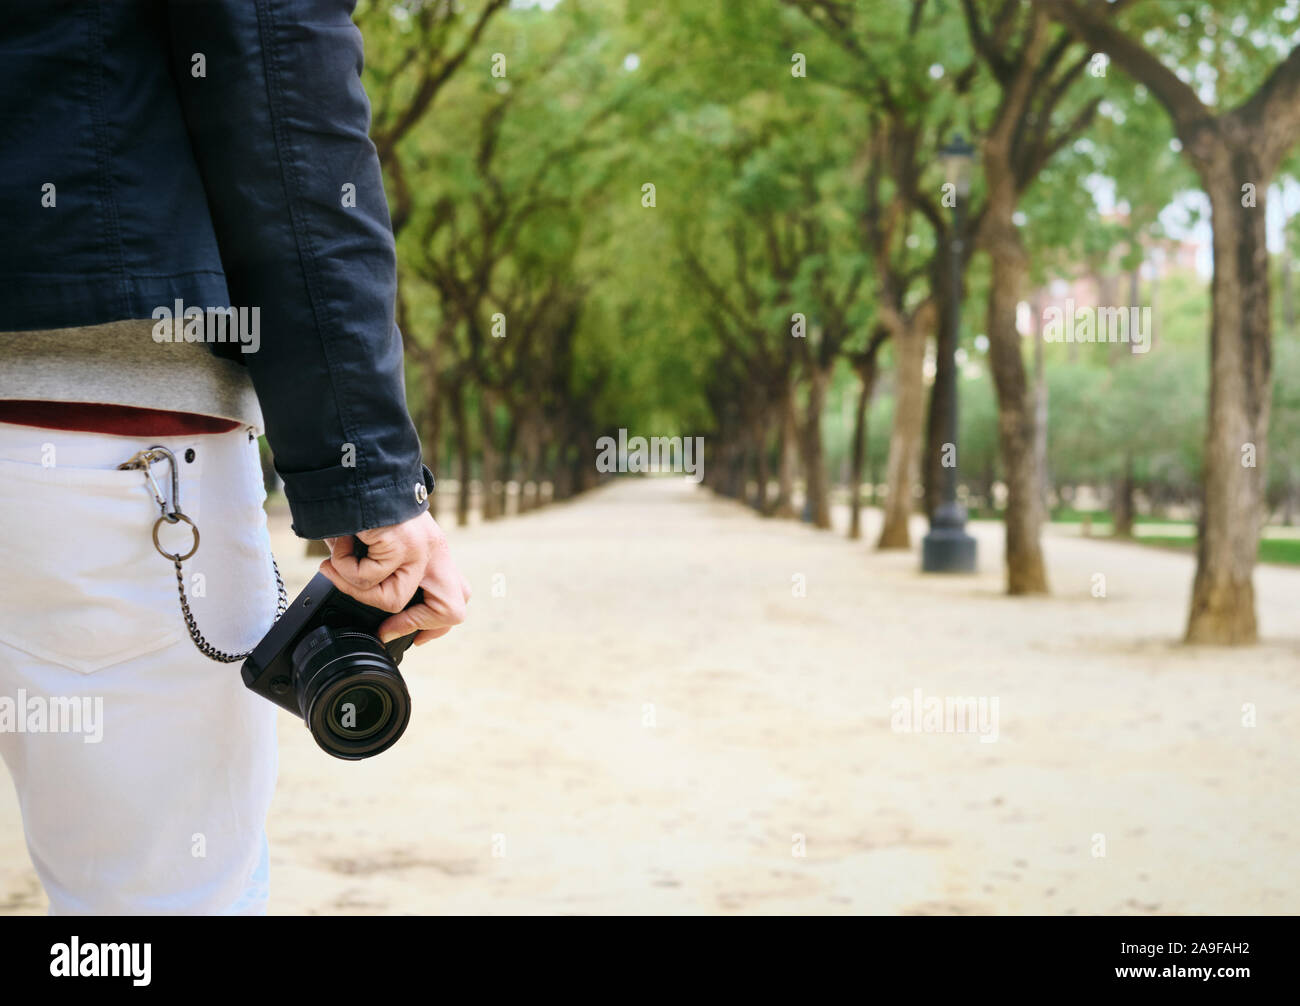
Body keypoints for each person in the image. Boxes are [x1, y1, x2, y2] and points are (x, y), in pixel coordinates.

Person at [0, 0, 470, 914]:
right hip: (104, 447)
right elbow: (278, 91)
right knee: (146, 914)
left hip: (99, 454)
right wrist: (364, 470)